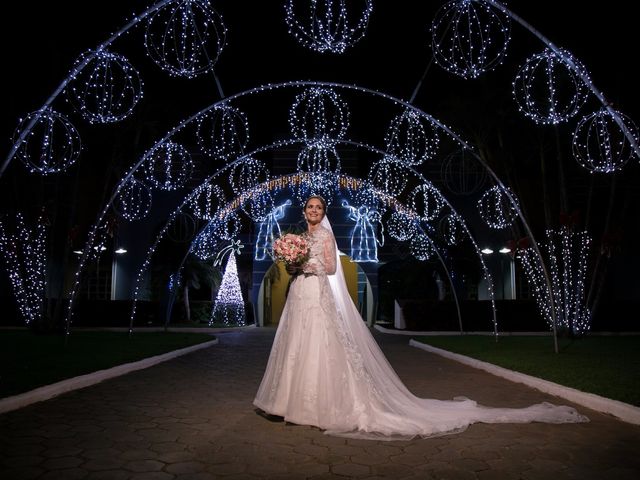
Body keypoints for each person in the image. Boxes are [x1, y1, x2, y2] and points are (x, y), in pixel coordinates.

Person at [253, 195, 588, 440]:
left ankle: (315, 407)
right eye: (311, 208)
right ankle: (286, 402)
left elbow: (329, 267)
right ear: (304, 212)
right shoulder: (299, 237)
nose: (314, 212)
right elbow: (300, 261)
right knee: (295, 343)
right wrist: (292, 263)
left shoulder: (325, 236)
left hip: (317, 292)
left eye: (319, 208)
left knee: (318, 345)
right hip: (299, 294)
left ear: (323, 213)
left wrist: (304, 265)